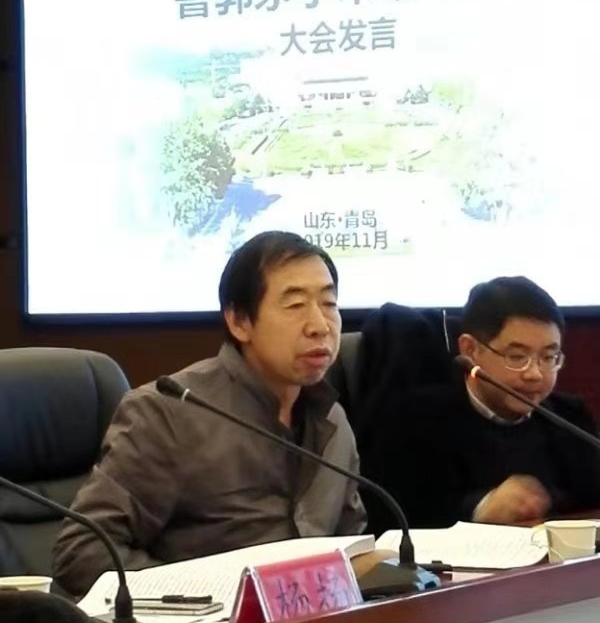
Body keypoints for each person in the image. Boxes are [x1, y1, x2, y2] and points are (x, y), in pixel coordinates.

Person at [52, 231, 366, 598]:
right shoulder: (170, 413)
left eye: (329, 303)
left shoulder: (333, 420)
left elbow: (351, 547)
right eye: (295, 305)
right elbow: (82, 552)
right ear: (239, 321)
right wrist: (204, 596)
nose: (320, 326)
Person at [361, 276, 600, 531]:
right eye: (517, 356)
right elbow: (388, 519)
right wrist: (478, 508)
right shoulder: (414, 418)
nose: (535, 374)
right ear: (470, 349)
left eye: (549, 357)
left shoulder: (569, 417)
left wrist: (545, 500)